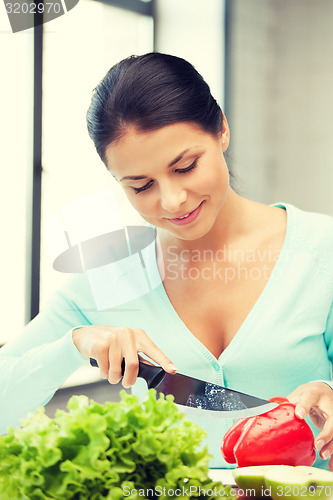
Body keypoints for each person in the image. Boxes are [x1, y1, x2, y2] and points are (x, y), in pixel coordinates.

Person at [1, 52, 333, 470]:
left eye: (186, 166)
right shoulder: (109, 276)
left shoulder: (323, 252)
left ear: (222, 130)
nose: (172, 201)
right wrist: (72, 346)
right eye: (141, 186)